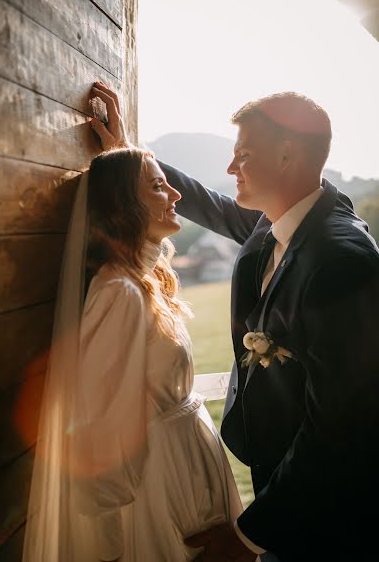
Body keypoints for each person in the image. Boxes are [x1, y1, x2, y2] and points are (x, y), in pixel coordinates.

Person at [91, 82, 379, 561]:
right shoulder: (277, 222)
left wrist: (248, 538)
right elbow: (208, 204)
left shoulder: (342, 261)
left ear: (287, 156)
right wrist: (129, 157)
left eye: (243, 154)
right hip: (279, 481)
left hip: (331, 514)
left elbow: (341, 424)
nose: (229, 167)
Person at [22, 104, 242, 562]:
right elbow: (101, 424)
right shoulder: (118, 293)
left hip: (187, 471)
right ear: (125, 205)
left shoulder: (145, 281)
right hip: (158, 489)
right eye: (160, 186)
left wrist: (126, 151)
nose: (177, 194)